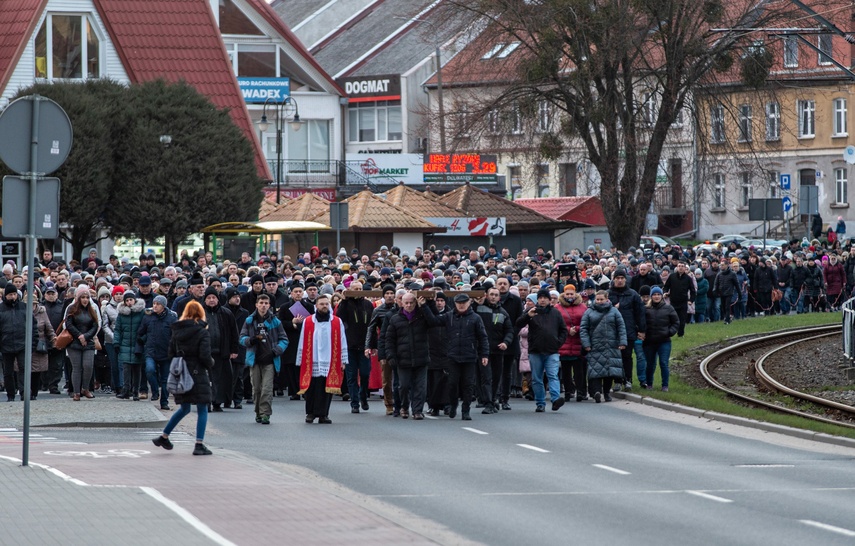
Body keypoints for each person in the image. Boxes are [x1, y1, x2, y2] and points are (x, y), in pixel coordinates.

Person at [152, 301, 214, 456]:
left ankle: (164, 436)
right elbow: (205, 356)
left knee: (184, 408)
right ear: (201, 314)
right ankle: (199, 444)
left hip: (181, 373)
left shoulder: (177, 331)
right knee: (202, 408)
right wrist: (211, 363)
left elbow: (171, 353)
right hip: (197, 373)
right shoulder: (202, 331)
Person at [433, 293, 489, 421]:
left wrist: (484, 354)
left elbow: (483, 337)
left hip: (469, 356)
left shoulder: (475, 318)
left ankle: (466, 410)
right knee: (452, 384)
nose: (462, 305)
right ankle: (453, 405)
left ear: (469, 303)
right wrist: (427, 305)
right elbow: (434, 321)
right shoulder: (449, 316)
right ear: (455, 304)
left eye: (464, 303)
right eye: (459, 303)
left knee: (468, 385)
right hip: (453, 356)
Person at [296, 294, 347, 424]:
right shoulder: (308, 321)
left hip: (330, 359)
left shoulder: (336, 321)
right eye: (322, 304)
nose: (324, 306)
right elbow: (302, 340)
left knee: (326, 388)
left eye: (326, 304)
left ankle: (323, 414)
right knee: (312, 387)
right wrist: (300, 359)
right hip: (312, 359)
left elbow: (342, 340)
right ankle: (310, 413)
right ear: (316, 306)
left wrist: (343, 359)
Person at [515, 288, 567, 412]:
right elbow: (518, 323)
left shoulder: (555, 313)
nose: (543, 300)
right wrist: (528, 316)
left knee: (552, 375)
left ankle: (555, 399)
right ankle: (540, 403)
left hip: (552, 350)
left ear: (549, 300)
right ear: (537, 299)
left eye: (545, 298)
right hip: (535, 350)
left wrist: (558, 343)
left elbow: (563, 330)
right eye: (540, 298)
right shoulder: (531, 311)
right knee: (537, 378)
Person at [240, 293, 288, 424]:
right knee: (256, 389)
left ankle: (265, 413)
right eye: (261, 303)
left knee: (267, 389)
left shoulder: (275, 321)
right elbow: (242, 338)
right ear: (256, 304)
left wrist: (275, 351)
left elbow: (284, 339)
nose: (263, 306)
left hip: (270, 360)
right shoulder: (250, 321)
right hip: (254, 359)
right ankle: (258, 412)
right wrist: (251, 340)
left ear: (269, 305)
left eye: (266, 303)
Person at [335, 281, 375, 413]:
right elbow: (339, 320)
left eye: (360, 289)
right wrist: (345, 301)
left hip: (364, 346)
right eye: (355, 289)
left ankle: (363, 395)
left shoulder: (368, 305)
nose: (358, 291)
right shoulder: (345, 305)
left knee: (364, 373)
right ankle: (355, 403)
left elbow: (372, 326)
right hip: (349, 346)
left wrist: (372, 344)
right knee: (351, 376)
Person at [580, 290, 626, 403]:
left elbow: (621, 327)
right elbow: (583, 329)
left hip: (611, 345)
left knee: (609, 372)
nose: (599, 301)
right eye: (598, 299)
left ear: (607, 299)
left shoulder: (614, 311)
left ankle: (606, 393)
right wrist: (586, 344)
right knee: (595, 370)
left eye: (602, 299)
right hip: (595, 346)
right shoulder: (589, 312)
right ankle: (596, 392)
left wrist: (622, 342)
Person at [473, 286, 514, 413]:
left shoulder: (503, 312)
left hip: (497, 350)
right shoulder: (478, 308)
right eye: (491, 294)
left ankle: (493, 399)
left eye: (496, 295)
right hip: (482, 350)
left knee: (497, 377)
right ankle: (488, 402)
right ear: (486, 295)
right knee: (486, 377)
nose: (493, 297)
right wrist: (475, 304)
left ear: (499, 297)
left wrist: (506, 342)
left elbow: (509, 331)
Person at [202, 286, 239, 412]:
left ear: (218, 299)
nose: (211, 300)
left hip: (222, 352)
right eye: (209, 298)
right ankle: (206, 401)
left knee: (221, 379)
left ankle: (217, 402)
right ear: (205, 300)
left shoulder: (226, 313)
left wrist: (234, 350)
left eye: (214, 297)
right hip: (205, 353)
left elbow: (234, 332)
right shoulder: (200, 313)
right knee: (206, 379)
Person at [607, 268, 645, 390]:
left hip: (629, 329)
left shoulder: (633, 294)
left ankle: (628, 379)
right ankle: (617, 380)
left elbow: (640, 313)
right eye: (617, 278)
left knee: (627, 356)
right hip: (611, 330)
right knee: (614, 357)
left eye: (622, 278)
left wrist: (642, 330)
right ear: (613, 279)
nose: (620, 280)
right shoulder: (608, 294)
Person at [137, 295, 178, 407]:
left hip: (166, 352)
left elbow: (176, 335)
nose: (155, 306)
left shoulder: (171, 318)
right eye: (154, 303)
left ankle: (164, 402)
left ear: (163, 306)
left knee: (165, 379)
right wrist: (143, 340)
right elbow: (141, 332)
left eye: (158, 304)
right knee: (149, 370)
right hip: (151, 350)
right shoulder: (148, 317)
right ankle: (155, 391)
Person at [365, 284, 398, 415]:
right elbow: (371, 328)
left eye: (392, 293)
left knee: (401, 379)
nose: (390, 296)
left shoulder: (399, 309)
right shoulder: (378, 310)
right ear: (383, 296)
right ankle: (389, 404)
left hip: (399, 346)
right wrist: (368, 346)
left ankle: (401, 403)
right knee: (386, 379)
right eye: (387, 293)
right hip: (383, 346)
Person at [0, 284, 36, 401]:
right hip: (6, 345)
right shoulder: (1, 309)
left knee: (24, 370)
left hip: (23, 344)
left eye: (14, 294)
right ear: (6, 296)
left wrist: (33, 342)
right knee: (8, 372)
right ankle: (10, 394)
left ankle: (25, 393)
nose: (13, 297)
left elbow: (33, 325)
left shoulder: (24, 307)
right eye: (10, 294)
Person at [64, 286, 101, 401]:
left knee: (88, 366)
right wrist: (79, 335)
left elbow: (95, 325)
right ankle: (76, 392)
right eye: (83, 297)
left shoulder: (92, 309)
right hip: (74, 342)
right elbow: (68, 324)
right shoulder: (71, 308)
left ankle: (85, 388)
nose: (85, 299)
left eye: (87, 297)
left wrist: (86, 336)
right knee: (77, 367)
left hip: (88, 341)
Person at [279, 283, 314, 401]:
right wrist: (292, 323)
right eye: (296, 292)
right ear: (291, 293)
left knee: (303, 366)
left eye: (300, 291)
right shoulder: (284, 307)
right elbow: (281, 323)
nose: (298, 294)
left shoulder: (309, 306)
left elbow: (313, 321)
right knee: (291, 366)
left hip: (304, 339)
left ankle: (305, 389)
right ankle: (294, 391)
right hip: (290, 340)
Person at [642, 286, 679, 391]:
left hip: (664, 341)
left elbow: (676, 322)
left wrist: (669, 332)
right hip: (649, 341)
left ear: (662, 296)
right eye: (654, 294)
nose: (656, 296)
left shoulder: (668, 308)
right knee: (650, 364)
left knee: (663, 363)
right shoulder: (646, 309)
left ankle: (665, 385)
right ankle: (649, 384)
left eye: (658, 294)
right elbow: (640, 322)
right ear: (651, 296)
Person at [556, 283, 588, 402]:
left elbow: (586, 322)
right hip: (564, 341)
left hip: (578, 341)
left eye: (571, 293)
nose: (569, 295)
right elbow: (556, 323)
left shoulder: (583, 307)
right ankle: (568, 391)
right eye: (567, 293)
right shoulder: (558, 307)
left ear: (575, 294)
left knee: (579, 369)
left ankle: (581, 391)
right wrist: (568, 329)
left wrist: (577, 329)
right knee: (565, 370)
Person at [114, 291, 146, 401]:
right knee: (126, 368)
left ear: (135, 300)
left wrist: (143, 339)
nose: (129, 302)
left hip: (137, 344)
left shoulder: (141, 312)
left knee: (137, 369)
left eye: (130, 300)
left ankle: (136, 391)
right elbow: (117, 329)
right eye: (127, 300)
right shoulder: (122, 314)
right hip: (125, 344)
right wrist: (116, 342)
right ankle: (126, 390)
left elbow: (146, 327)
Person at [426, 292, 451, 416]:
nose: (439, 303)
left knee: (447, 381)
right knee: (433, 381)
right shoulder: (428, 315)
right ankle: (433, 405)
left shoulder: (450, 315)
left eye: (442, 300)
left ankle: (447, 404)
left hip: (447, 352)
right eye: (437, 300)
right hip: (432, 352)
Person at [29, 289, 56, 400]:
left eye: (33, 304)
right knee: (24, 370)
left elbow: (48, 328)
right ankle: (24, 391)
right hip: (24, 345)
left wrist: (53, 338)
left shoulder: (42, 313)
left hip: (39, 345)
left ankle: (33, 392)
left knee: (36, 371)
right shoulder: (22, 313)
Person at [713, 259, 740, 324]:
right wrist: (715, 291)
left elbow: (736, 284)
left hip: (729, 292)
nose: (721, 266)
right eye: (721, 265)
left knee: (727, 306)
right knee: (723, 306)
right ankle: (727, 317)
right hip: (721, 292)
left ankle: (727, 319)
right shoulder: (719, 274)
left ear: (727, 265)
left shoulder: (732, 274)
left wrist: (740, 293)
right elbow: (716, 283)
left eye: (723, 265)